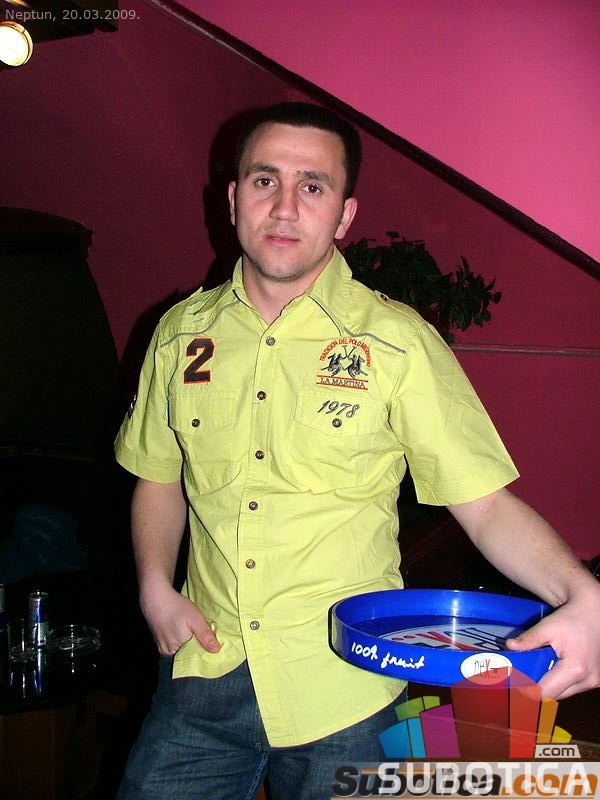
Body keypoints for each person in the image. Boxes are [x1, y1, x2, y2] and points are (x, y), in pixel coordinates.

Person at [114, 102, 600, 799]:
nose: (285, 207)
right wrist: (154, 586)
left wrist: (583, 595)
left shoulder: (398, 344)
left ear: (344, 215)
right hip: (204, 670)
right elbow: (158, 477)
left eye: (312, 186)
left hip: (345, 687)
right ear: (233, 199)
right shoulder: (179, 334)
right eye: (265, 180)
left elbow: (487, 508)